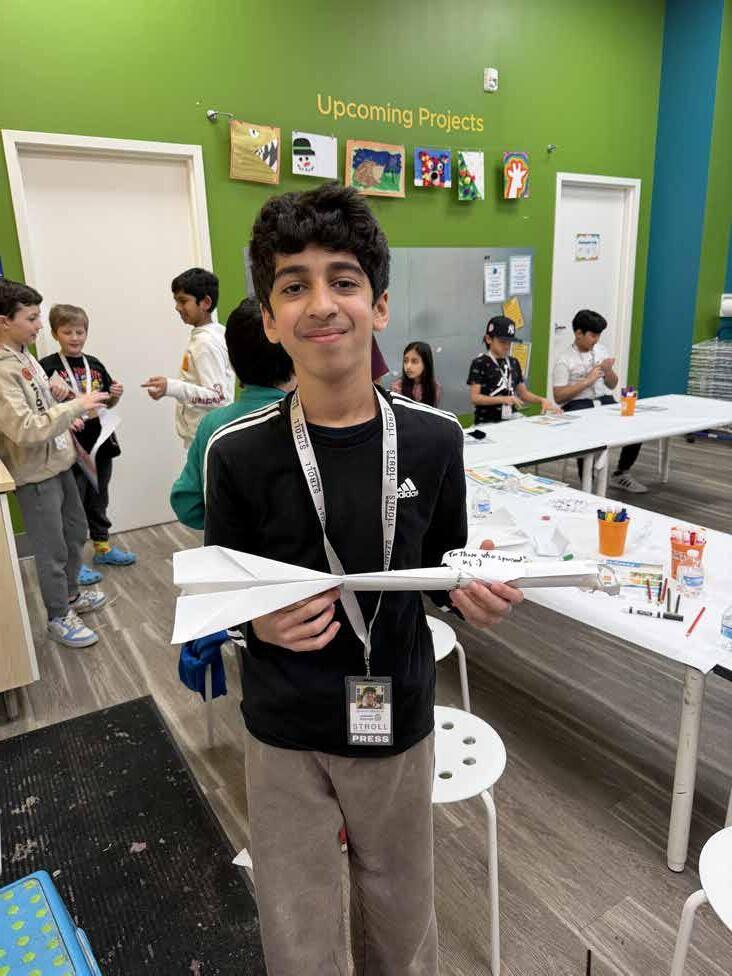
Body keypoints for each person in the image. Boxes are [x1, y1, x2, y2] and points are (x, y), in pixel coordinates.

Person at [204, 182, 523, 975]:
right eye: (293, 286)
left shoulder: (434, 439)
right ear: (270, 318)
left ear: (379, 306)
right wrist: (255, 622)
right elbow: (219, 589)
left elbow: (443, 565)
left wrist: (469, 593)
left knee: (401, 906)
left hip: (396, 709)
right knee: (297, 917)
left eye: (343, 281)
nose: (321, 304)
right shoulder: (237, 453)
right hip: (284, 724)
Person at [0, 280, 108, 648]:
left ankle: (71, 594)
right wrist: (76, 406)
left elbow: (40, 405)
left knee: (76, 532)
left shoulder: (24, 355)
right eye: (31, 319)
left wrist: (57, 397)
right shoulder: (2, 370)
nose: (38, 326)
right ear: (4, 321)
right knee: (52, 549)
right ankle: (59, 616)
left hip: (60, 462)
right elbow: (26, 428)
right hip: (35, 475)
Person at [170, 296, 295, 530]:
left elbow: (186, 503)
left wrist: (224, 524)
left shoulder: (212, 425)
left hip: (230, 546)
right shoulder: (309, 418)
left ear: (232, 360)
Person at [40, 304, 136, 583]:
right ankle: (74, 561)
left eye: (79, 332)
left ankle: (102, 547)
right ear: (55, 333)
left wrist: (115, 394)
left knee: (99, 495)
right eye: (67, 332)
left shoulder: (94, 364)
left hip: (100, 438)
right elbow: (43, 405)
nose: (74, 337)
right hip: (70, 440)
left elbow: (107, 401)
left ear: (86, 332)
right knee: (74, 503)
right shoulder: (47, 367)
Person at [552, 309, 647, 493]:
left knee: (636, 428)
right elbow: (558, 397)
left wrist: (608, 371)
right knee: (588, 435)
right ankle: (588, 484)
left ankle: (621, 473)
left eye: (598, 335)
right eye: (593, 335)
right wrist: (586, 381)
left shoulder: (601, 351)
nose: (596, 340)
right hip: (578, 404)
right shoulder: (564, 360)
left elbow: (612, 384)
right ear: (578, 333)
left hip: (604, 399)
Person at [142, 268, 235, 449]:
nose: (177, 307)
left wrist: (171, 387)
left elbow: (218, 397)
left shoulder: (205, 343)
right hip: (205, 436)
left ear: (205, 302)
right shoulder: (212, 335)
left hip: (205, 439)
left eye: (183, 301)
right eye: (176, 301)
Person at [467, 315, 561, 424]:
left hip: (511, 417)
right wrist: (504, 399)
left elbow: (523, 394)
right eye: (502, 342)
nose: (507, 346)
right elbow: (475, 398)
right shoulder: (479, 363)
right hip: (487, 421)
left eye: (509, 342)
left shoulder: (513, 362)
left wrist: (541, 400)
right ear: (488, 339)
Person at [391, 340, 441, 406]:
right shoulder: (397, 387)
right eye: (405, 361)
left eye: (414, 361)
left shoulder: (434, 387)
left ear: (426, 364)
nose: (408, 366)